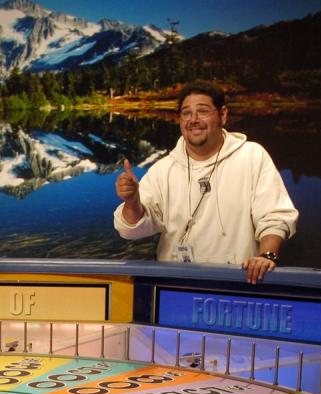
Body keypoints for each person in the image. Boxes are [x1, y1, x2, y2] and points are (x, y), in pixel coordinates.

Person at [113, 82, 298, 284]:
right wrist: (132, 202)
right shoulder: (164, 169)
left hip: (238, 283)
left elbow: (274, 216)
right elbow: (131, 231)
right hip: (175, 285)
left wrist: (266, 256)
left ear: (223, 115)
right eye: (186, 113)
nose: (193, 120)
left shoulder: (252, 156)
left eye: (202, 111)